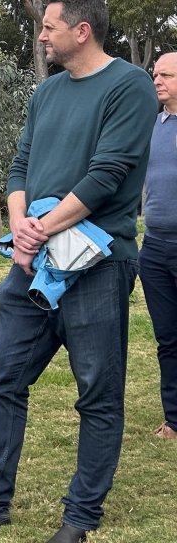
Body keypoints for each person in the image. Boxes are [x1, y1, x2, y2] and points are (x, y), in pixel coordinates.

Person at [0, 0, 158, 543]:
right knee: (3, 377)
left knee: (97, 392)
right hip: (32, 263)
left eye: (49, 26)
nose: (42, 35)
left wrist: (40, 229)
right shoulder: (46, 92)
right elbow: (20, 165)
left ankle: (79, 519)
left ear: (82, 30)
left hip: (98, 265)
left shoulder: (130, 86)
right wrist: (21, 229)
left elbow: (108, 175)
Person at [138, 52, 177, 440]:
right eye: (155, 75)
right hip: (154, 249)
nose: (157, 81)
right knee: (168, 337)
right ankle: (175, 420)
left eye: (165, 75)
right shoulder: (154, 126)